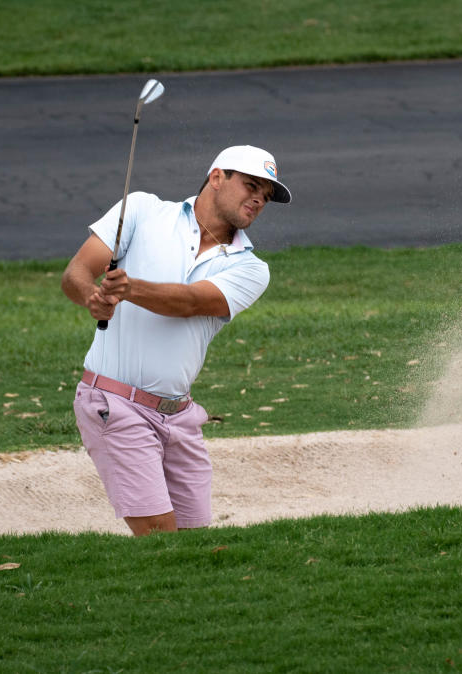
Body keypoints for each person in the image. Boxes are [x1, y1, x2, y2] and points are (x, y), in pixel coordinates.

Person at [61, 145, 291, 536]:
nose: (258, 199)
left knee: (191, 546)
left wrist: (130, 288)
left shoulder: (250, 268)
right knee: (158, 533)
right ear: (217, 177)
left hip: (179, 417)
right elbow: (77, 273)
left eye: (266, 196)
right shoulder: (142, 210)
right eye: (251, 185)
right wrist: (92, 298)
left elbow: (189, 302)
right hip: (115, 404)